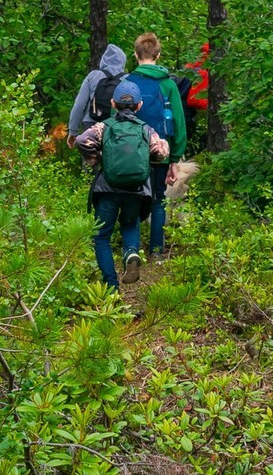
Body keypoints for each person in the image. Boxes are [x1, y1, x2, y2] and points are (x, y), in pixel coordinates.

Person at [74, 81, 170, 289]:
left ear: (113, 103)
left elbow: (81, 141)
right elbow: (161, 153)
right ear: (139, 106)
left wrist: (100, 158)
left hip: (107, 189)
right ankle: (131, 252)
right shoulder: (146, 129)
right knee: (129, 223)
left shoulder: (103, 127)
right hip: (135, 189)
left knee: (101, 237)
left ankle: (111, 287)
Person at [127, 33, 188, 258]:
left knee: (133, 196)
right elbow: (179, 123)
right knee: (158, 199)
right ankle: (156, 251)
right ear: (158, 55)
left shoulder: (127, 83)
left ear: (135, 55)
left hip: (131, 151)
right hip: (160, 151)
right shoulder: (168, 85)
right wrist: (175, 158)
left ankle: (131, 250)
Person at [68, 43, 127, 145]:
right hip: (118, 127)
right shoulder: (127, 79)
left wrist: (73, 131)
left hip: (91, 125)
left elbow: (79, 105)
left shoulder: (93, 76)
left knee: (92, 159)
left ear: (103, 60)